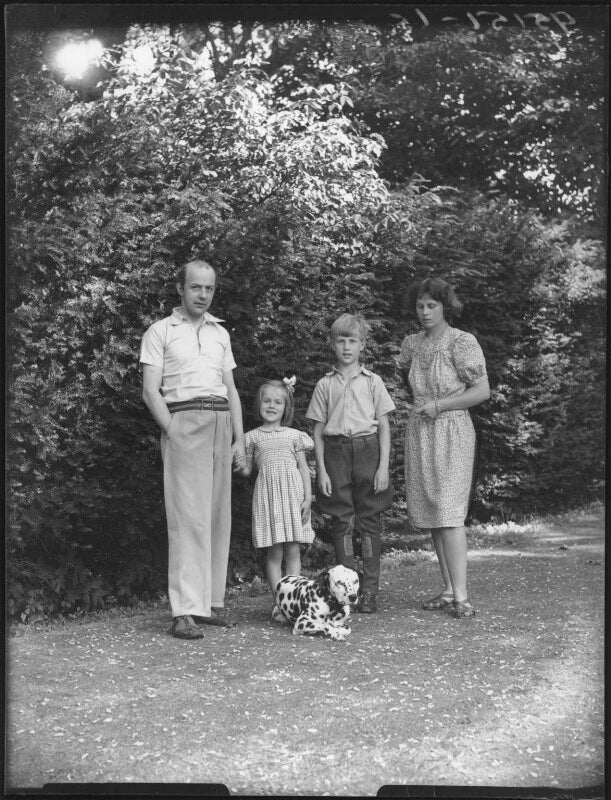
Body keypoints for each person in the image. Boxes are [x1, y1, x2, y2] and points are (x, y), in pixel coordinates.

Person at [140, 259, 246, 639]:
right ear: (180, 288)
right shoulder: (160, 331)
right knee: (187, 518)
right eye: (196, 287)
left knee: (216, 515)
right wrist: (174, 431)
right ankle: (183, 610)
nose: (203, 295)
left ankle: (209, 604)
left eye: (209, 288)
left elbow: (231, 389)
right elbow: (150, 391)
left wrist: (239, 438)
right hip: (184, 420)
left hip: (220, 422)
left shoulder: (220, 333)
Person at [398, 276, 490, 619]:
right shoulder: (411, 344)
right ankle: (449, 588)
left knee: (450, 511)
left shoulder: (461, 342)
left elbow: (482, 391)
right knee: (434, 510)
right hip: (421, 431)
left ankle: (462, 597)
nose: (425, 312)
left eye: (432, 305)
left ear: (445, 306)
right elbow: (406, 384)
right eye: (420, 306)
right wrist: (421, 405)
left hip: (452, 430)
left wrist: (440, 405)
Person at [306, 313, 395, 614]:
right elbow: (317, 430)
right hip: (336, 454)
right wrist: (321, 470)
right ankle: (345, 592)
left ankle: (369, 592)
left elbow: (384, 426)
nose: (346, 347)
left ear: (362, 345)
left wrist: (383, 467)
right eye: (341, 341)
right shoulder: (324, 384)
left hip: (368, 451)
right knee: (342, 522)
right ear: (332, 344)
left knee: (369, 522)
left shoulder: (373, 382)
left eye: (352, 341)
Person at [237, 377, 315, 598]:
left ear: (286, 407)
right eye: (267, 401)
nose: (271, 406)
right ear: (259, 404)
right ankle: (280, 601)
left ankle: (294, 599)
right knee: (274, 553)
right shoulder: (251, 438)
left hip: (292, 498)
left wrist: (308, 499)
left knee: (293, 551)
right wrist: (239, 465)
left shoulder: (294, 436)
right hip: (268, 499)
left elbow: (303, 468)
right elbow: (247, 471)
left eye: (278, 402)